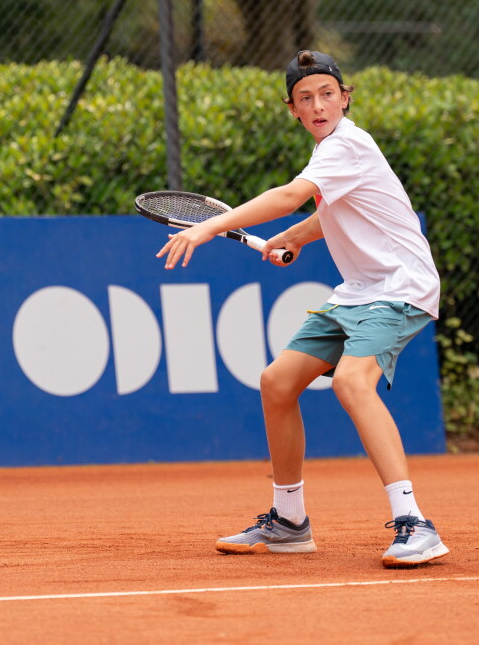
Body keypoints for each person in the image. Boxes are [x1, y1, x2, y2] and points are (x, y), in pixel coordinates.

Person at [156, 49, 449, 568]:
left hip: (400, 287)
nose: (318, 105)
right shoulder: (331, 155)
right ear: (292, 109)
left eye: (327, 94)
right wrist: (294, 238)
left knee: (350, 382)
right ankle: (289, 521)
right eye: (305, 98)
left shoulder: (348, 145)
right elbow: (328, 211)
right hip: (358, 289)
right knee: (277, 383)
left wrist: (207, 227)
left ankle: (415, 524)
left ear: (346, 98)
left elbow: (293, 196)